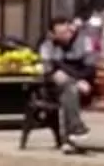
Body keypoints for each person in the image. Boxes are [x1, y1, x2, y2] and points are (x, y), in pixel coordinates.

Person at [37, 15, 95, 151]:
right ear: (53, 34)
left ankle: (68, 138)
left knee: (69, 89)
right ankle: (75, 128)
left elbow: (90, 68)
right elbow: (47, 68)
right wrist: (71, 79)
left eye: (68, 31)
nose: (67, 35)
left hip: (81, 85)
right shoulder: (46, 45)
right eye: (61, 33)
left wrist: (77, 79)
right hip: (52, 88)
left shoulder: (84, 41)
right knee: (66, 84)